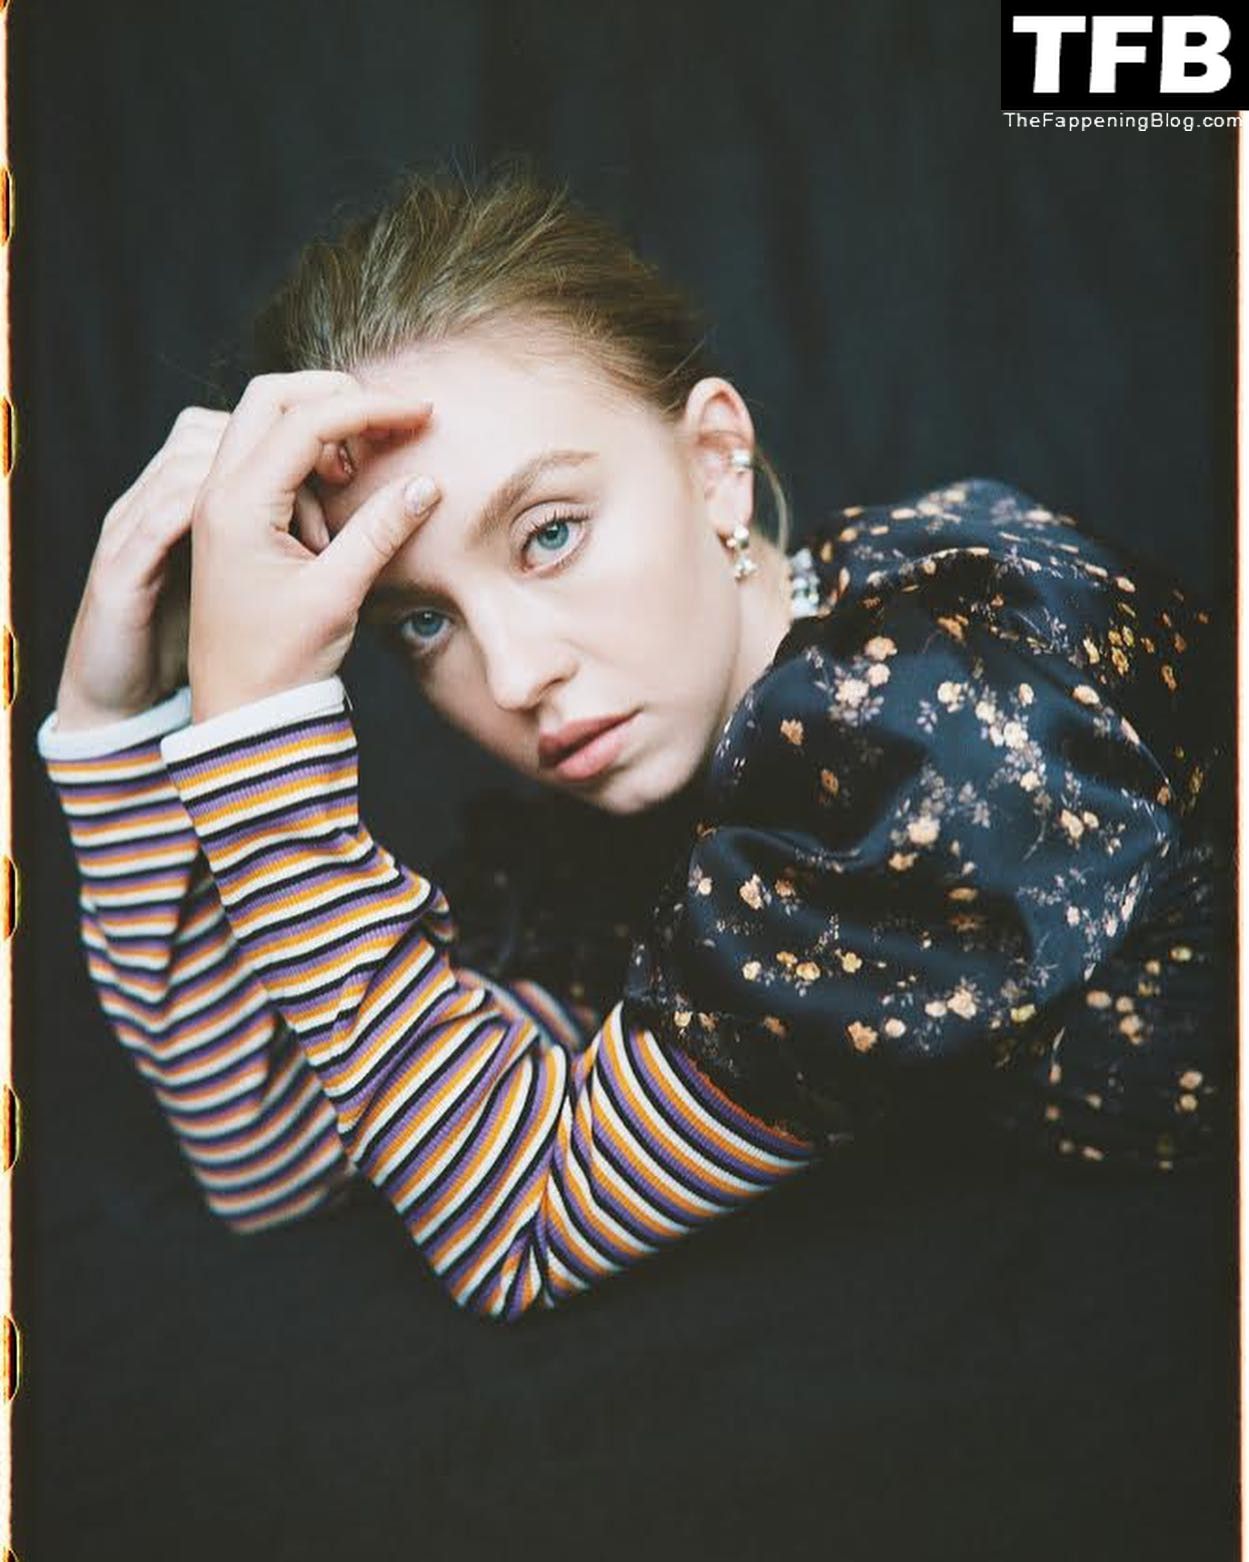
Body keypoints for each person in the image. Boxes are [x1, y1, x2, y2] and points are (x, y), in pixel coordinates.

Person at [39, 169, 1232, 1321]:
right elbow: (283, 1158)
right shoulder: (658, 793)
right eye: (420, 620)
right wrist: (116, 720)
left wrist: (257, 740)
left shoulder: (934, 731)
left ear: (714, 463)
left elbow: (515, 1225)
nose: (515, 676)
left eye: (550, 533)